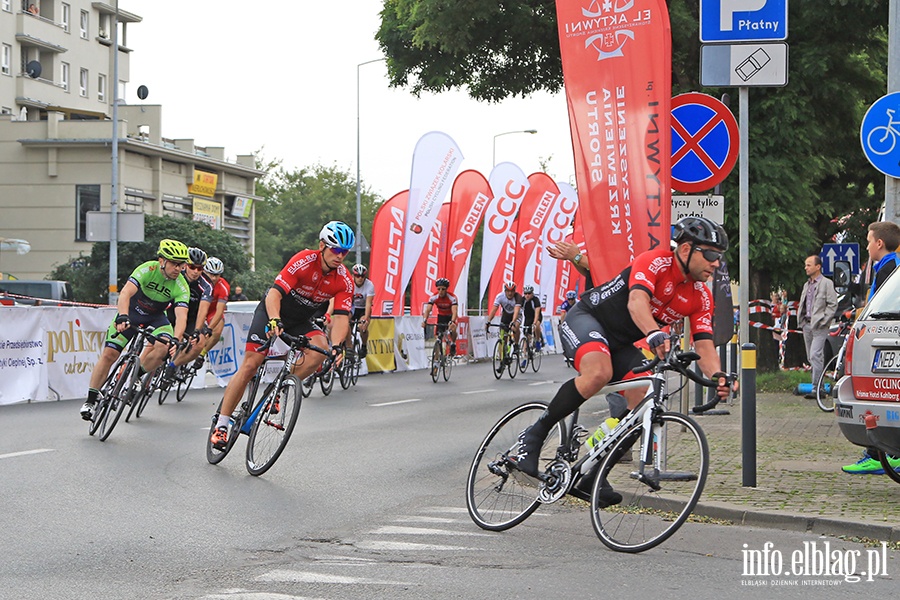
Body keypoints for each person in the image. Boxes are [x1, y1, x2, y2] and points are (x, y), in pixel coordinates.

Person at [512, 217, 735, 504]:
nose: (716, 263)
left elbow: (704, 344)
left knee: (642, 400)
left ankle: (594, 474)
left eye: (719, 257)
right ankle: (532, 438)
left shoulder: (700, 296)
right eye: (712, 255)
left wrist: (718, 376)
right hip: (588, 319)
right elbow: (636, 303)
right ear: (685, 250)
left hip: (619, 343)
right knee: (598, 372)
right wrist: (654, 333)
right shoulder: (654, 262)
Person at [209, 221, 355, 449]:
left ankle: (280, 386)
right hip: (273, 311)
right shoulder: (304, 261)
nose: (340, 256)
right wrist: (275, 320)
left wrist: (337, 345)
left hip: (299, 321)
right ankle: (222, 425)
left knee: (322, 350)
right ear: (322, 245)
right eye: (335, 249)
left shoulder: (344, 280)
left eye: (344, 252)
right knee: (250, 366)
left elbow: (342, 317)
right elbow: (274, 295)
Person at [80, 239, 191, 420]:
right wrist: (123, 315)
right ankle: (91, 400)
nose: (179, 268)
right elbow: (125, 293)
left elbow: (181, 316)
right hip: (131, 312)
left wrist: (176, 339)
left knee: (163, 347)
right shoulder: (148, 269)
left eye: (182, 264)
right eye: (175, 264)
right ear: (162, 261)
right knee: (109, 354)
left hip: (156, 318)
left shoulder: (181, 285)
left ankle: (136, 375)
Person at [842, 220, 900, 475]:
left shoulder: (889, 267)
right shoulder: (887, 266)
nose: (866, 247)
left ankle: (879, 455)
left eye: (868, 241)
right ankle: (879, 453)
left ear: (879, 242)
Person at [164, 247, 214, 378]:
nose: (196, 271)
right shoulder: (175, 276)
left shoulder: (206, 285)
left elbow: (204, 308)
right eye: (192, 267)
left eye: (200, 268)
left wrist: (197, 330)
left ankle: (173, 365)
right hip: (170, 312)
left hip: (191, 317)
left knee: (199, 343)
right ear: (185, 265)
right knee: (160, 345)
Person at [797, 254, 838, 400]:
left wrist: (824, 320)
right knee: (811, 357)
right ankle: (819, 387)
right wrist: (801, 321)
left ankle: (817, 388)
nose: (806, 268)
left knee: (816, 355)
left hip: (819, 326)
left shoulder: (826, 283)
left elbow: (833, 304)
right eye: (805, 265)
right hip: (806, 324)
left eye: (808, 265)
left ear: (818, 267)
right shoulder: (807, 285)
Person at [198, 256, 229, 365]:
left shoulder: (224, 286)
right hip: (198, 308)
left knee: (218, 328)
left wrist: (210, 329)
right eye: (211, 274)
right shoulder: (198, 280)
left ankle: (202, 354)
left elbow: (219, 311)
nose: (214, 278)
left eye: (217, 275)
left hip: (212, 310)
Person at [422, 277, 459, 355]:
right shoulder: (433, 297)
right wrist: (425, 320)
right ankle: (437, 356)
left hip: (450, 316)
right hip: (441, 316)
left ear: (446, 289)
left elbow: (454, 311)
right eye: (438, 289)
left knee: (453, 328)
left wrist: (452, 321)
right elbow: (428, 310)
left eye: (443, 289)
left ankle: (453, 343)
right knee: (438, 336)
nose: (440, 291)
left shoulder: (452, 298)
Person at [349, 264, 375, 357]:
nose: (360, 278)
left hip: (363, 308)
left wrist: (366, 319)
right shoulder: (349, 283)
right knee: (345, 323)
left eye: (362, 276)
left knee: (362, 326)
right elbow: (347, 301)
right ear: (353, 276)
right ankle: (348, 346)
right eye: (357, 276)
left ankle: (364, 345)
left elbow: (368, 303)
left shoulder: (369, 285)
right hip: (352, 307)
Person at [521, 285, 543, 350]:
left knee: (536, 325)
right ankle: (525, 354)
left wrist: (535, 322)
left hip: (536, 316)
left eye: (529, 293)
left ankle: (538, 340)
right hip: (527, 318)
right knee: (526, 335)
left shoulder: (535, 300)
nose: (527, 295)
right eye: (525, 294)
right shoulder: (523, 300)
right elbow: (518, 309)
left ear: (532, 293)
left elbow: (537, 312)